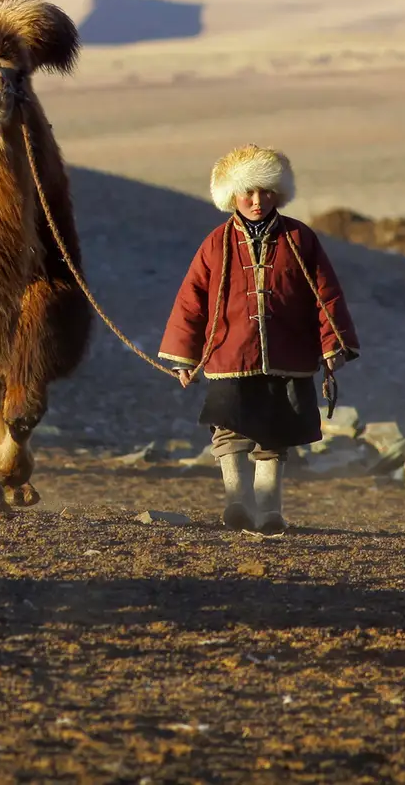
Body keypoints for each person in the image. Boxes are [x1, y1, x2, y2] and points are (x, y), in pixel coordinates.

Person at [157, 145, 358, 533]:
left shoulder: (301, 239)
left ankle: (268, 511)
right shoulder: (215, 243)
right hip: (227, 355)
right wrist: (184, 357)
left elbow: (326, 294)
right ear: (231, 195)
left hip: (287, 356)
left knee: (275, 432)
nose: (256, 200)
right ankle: (237, 501)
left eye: (265, 191)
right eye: (247, 192)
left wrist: (333, 345)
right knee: (228, 427)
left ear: (277, 194)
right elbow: (191, 300)